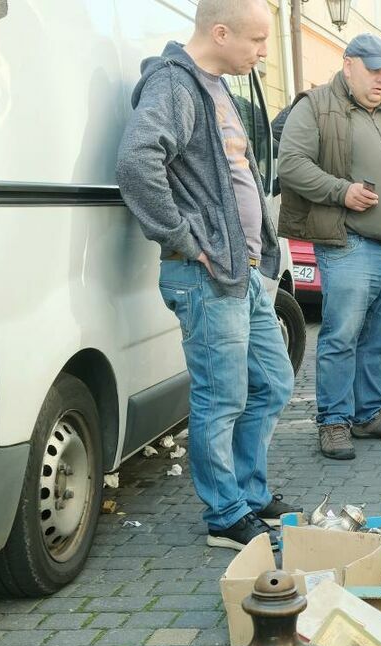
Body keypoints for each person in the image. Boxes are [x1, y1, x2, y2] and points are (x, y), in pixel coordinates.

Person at [117, 0, 298, 551]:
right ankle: (225, 513)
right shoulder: (174, 84)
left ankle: (247, 490)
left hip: (238, 272)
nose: (264, 52)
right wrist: (181, 238)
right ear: (220, 32)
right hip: (204, 274)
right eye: (256, 40)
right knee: (221, 397)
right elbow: (136, 162)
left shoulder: (218, 87)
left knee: (273, 381)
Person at [277, 33, 381, 460]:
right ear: (348, 65)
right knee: (341, 337)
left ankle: (369, 413)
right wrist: (340, 191)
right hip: (350, 243)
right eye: (373, 70)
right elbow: (290, 165)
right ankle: (333, 421)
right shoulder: (316, 106)